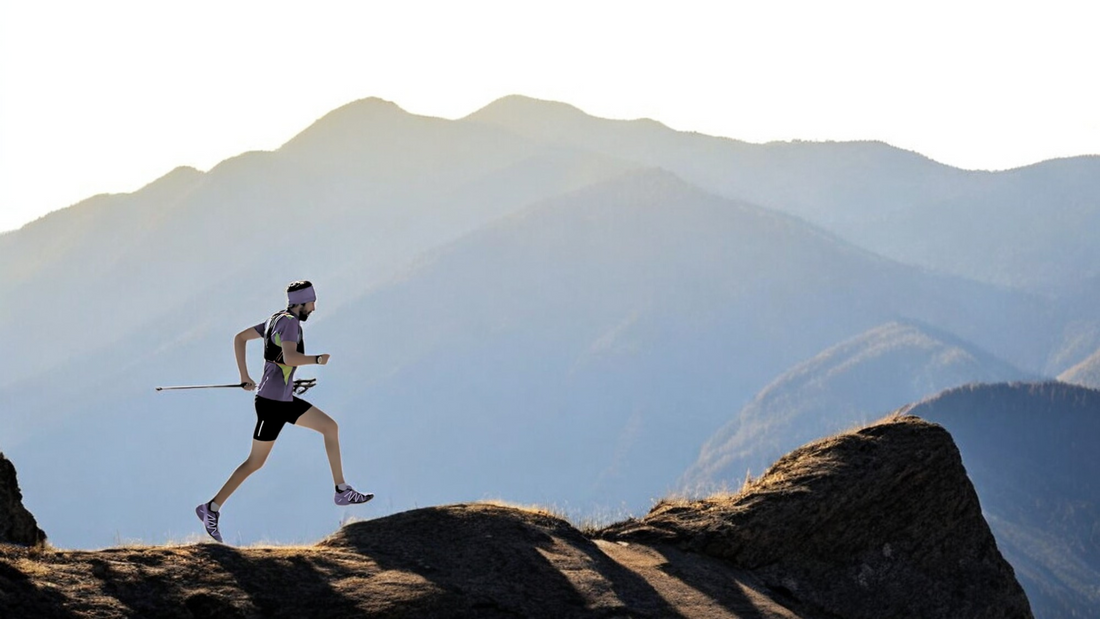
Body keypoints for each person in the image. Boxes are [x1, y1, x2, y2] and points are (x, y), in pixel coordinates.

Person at [196, 280, 372, 543]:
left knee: (329, 427)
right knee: (255, 462)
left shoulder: (275, 319)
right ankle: (210, 508)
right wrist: (317, 360)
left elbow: (241, 338)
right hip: (272, 404)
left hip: (282, 399)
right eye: (311, 303)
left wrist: (245, 376)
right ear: (300, 303)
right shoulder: (290, 323)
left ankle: (341, 490)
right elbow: (289, 357)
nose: (314, 308)